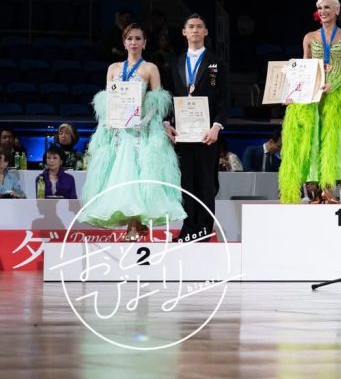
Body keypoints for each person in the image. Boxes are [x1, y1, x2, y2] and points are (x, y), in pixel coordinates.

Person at [81, 23, 186, 241]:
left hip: (141, 131)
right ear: (124, 42)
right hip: (118, 132)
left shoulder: (150, 68)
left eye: (138, 39)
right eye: (130, 38)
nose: (134, 42)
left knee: (140, 176)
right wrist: (110, 120)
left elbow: (157, 101)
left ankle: (135, 225)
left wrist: (143, 121)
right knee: (118, 176)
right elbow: (109, 99)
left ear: (145, 43)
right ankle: (132, 224)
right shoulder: (113, 68)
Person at [279, 0, 341, 203]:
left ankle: (330, 188)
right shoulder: (309, 37)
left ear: (337, 10)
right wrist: (291, 94)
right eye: (320, 8)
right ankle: (316, 190)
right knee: (314, 141)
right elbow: (303, 68)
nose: (323, 11)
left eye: (327, 7)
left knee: (333, 141)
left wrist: (334, 85)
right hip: (313, 97)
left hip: (337, 98)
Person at [164, 14, 230, 242]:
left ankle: (203, 230)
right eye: (190, 26)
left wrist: (216, 127)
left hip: (206, 134)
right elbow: (168, 96)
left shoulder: (216, 63)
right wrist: (167, 123)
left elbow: (224, 99)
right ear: (184, 32)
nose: (195, 30)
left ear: (206, 32)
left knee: (206, 182)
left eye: (199, 26)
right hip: (182, 133)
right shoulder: (175, 62)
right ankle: (188, 229)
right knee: (186, 183)